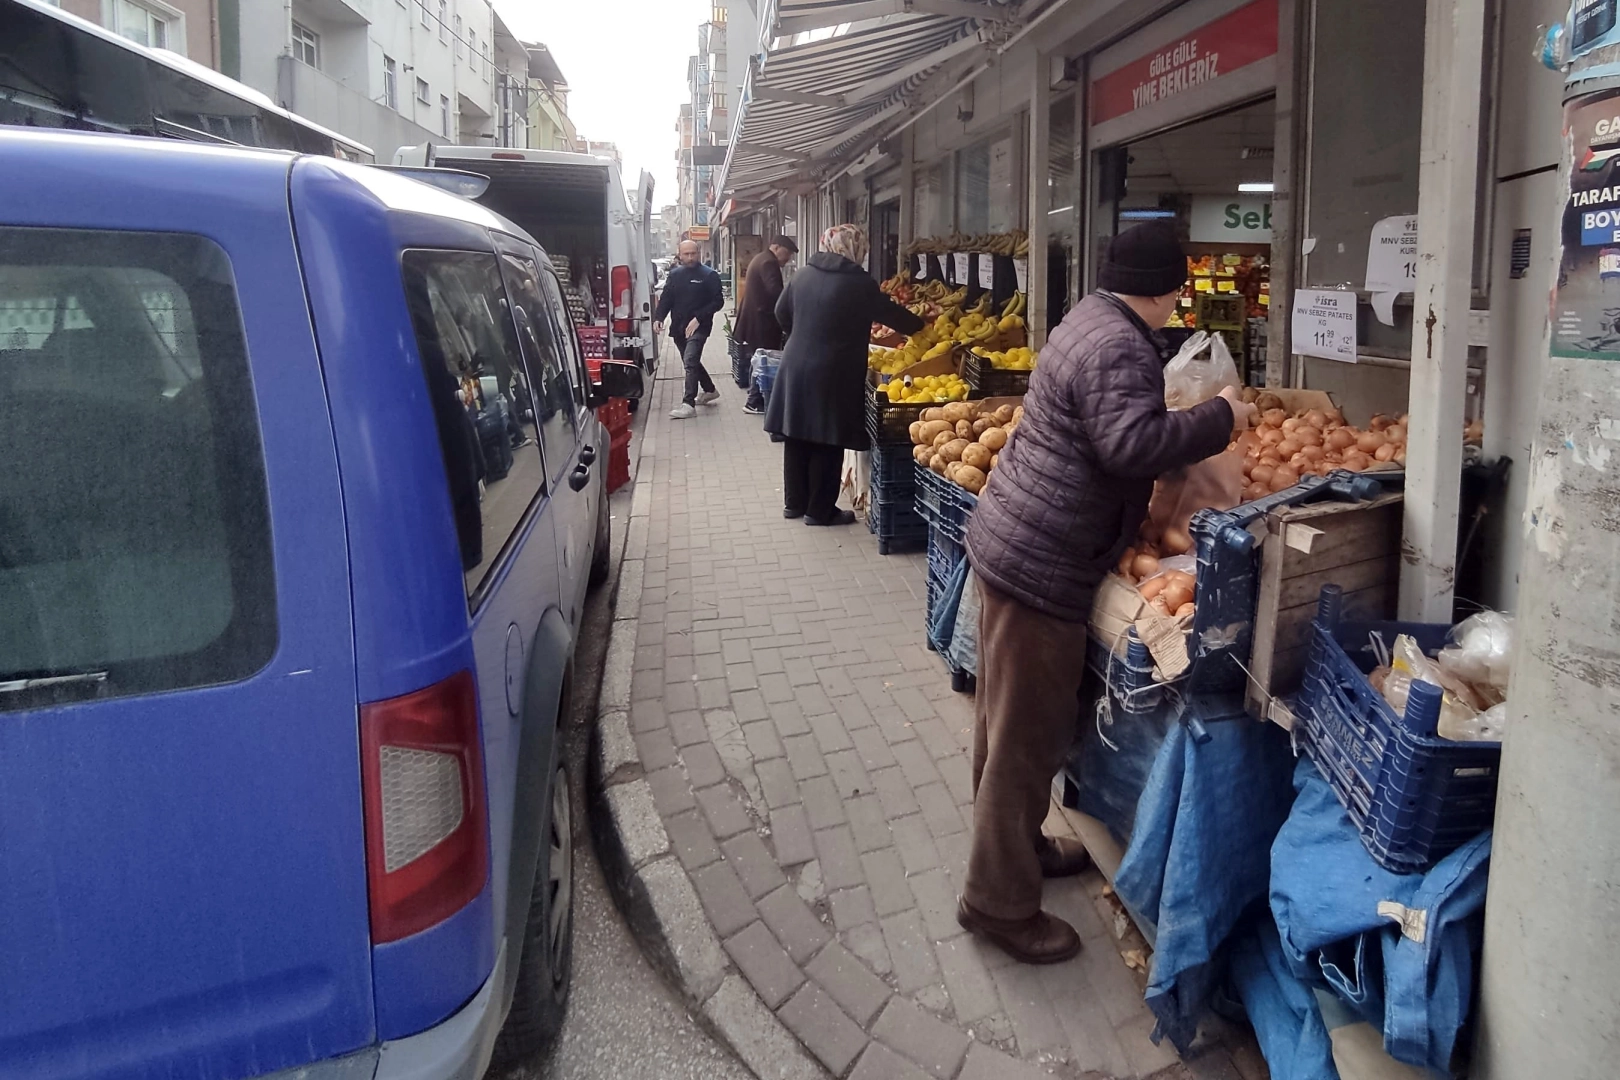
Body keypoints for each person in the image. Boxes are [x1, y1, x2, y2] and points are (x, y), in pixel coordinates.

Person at [958, 222, 1257, 964]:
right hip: (1043, 558)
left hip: (1015, 538)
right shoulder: (1122, 343)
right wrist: (1222, 417)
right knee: (1027, 738)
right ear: (1168, 288)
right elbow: (1131, 443)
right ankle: (997, 902)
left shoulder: (1086, 318)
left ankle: (1014, 848)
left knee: (1004, 721)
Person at [764, 224, 924, 526]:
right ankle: (820, 510)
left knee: (797, 432)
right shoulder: (858, 282)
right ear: (855, 248)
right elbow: (889, 313)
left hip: (796, 362)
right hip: (834, 368)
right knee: (828, 435)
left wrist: (801, 335)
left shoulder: (802, 274)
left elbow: (780, 312)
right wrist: (921, 326)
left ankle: (794, 503)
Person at [654, 240, 726, 419]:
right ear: (679, 255)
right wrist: (658, 318)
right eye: (686, 254)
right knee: (691, 362)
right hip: (678, 327)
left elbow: (718, 301)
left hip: (699, 327)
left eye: (693, 253)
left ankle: (688, 403)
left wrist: (699, 318)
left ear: (699, 253)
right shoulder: (675, 274)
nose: (690, 257)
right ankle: (709, 390)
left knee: (690, 360)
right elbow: (666, 298)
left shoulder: (709, 275)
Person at [733, 234, 798, 415]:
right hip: (762, 322)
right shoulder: (769, 263)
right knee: (763, 359)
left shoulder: (761, 258)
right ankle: (754, 401)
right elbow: (776, 292)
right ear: (776, 248)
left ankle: (755, 399)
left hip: (755, 321)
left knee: (759, 358)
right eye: (788, 253)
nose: (788, 258)